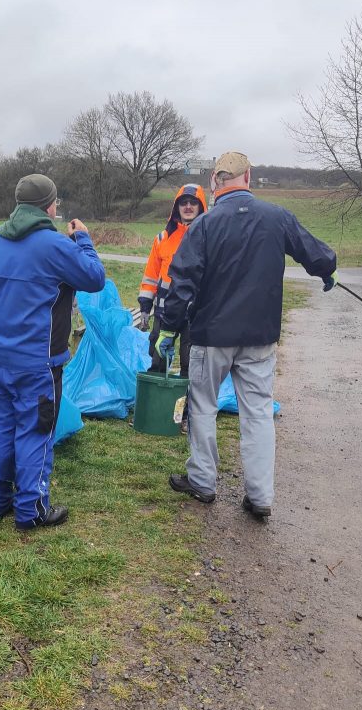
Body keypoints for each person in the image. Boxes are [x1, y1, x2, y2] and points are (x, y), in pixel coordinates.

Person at [157, 152, 337, 517]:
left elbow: (182, 282)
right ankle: (259, 497)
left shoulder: (203, 226)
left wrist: (170, 328)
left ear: (215, 181)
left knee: (203, 407)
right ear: (249, 178)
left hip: (210, 335)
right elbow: (317, 254)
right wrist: (325, 271)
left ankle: (203, 481)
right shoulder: (277, 217)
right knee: (257, 413)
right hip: (259, 335)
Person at [0, 174, 105, 530]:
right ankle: (31, 510)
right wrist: (83, 239)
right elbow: (95, 278)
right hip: (39, 364)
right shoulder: (55, 245)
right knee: (35, 432)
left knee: (2, 430)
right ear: (50, 206)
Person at [137, 183, 207, 380]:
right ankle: (156, 397)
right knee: (157, 359)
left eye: (193, 202)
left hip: (194, 313)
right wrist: (145, 307)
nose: (188, 206)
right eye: (183, 202)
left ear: (201, 206)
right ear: (176, 207)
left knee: (191, 364)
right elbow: (151, 275)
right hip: (164, 311)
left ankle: (187, 400)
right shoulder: (162, 238)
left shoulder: (207, 239)